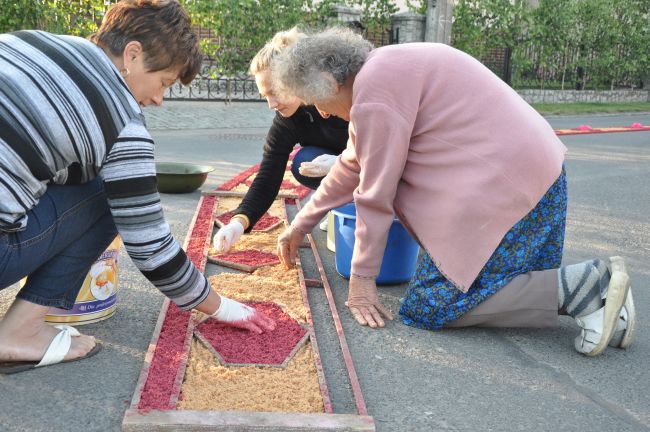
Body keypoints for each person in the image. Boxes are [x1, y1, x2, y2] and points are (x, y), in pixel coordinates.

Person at [273, 27, 635, 357]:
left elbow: (374, 193)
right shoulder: (383, 68)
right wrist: (301, 224)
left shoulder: (374, 92)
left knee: (429, 305)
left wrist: (362, 281)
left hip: (510, 190)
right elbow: (352, 164)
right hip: (538, 178)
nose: (321, 113)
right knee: (495, 285)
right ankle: (606, 306)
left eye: (315, 101)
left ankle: (582, 286)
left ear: (328, 81)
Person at [0, 0, 274, 375]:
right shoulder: (123, 120)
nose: (159, 99)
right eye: (163, 83)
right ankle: (21, 331)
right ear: (132, 54)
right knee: (109, 194)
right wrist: (221, 306)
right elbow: (151, 249)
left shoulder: (28, 43)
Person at [212, 28, 349, 253]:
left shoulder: (338, 94)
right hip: (348, 167)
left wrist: (342, 161)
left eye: (274, 91)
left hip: (374, 162)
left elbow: (382, 144)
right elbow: (268, 174)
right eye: (264, 96)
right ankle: (341, 205)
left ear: (293, 75)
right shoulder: (288, 119)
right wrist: (238, 222)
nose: (271, 104)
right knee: (303, 162)